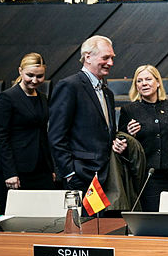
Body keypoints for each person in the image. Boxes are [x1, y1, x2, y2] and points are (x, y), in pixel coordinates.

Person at [49, 35, 127, 195]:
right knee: (83, 221)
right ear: (88, 57)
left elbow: (105, 132)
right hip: (81, 176)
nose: (111, 63)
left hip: (106, 175)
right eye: (106, 58)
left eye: (112, 58)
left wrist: (116, 143)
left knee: (104, 221)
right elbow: (56, 135)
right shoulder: (69, 86)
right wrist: (69, 173)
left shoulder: (108, 93)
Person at [118, 65, 168, 211]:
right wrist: (130, 134)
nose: (144, 83)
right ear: (136, 86)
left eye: (148, 79)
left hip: (164, 173)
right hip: (141, 174)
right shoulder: (129, 110)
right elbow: (121, 144)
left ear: (157, 82)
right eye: (139, 81)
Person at [0, 53, 55, 212]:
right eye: (30, 75)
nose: (35, 80)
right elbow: (2, 137)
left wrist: (51, 168)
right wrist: (10, 173)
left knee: (44, 216)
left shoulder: (42, 97)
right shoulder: (7, 97)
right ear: (20, 71)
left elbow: (43, 133)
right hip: (18, 169)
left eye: (40, 76)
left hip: (41, 168)